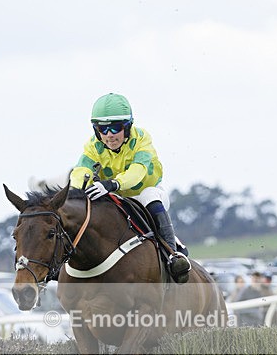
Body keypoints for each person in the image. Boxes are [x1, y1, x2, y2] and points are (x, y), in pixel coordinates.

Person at [69, 93, 191, 284]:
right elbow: (80, 171)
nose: (109, 135)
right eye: (103, 128)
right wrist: (78, 189)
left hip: (144, 192)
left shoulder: (142, 139)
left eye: (115, 127)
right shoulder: (92, 146)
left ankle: (172, 255)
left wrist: (113, 184)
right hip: (112, 194)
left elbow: (138, 171)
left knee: (150, 196)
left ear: (127, 127)